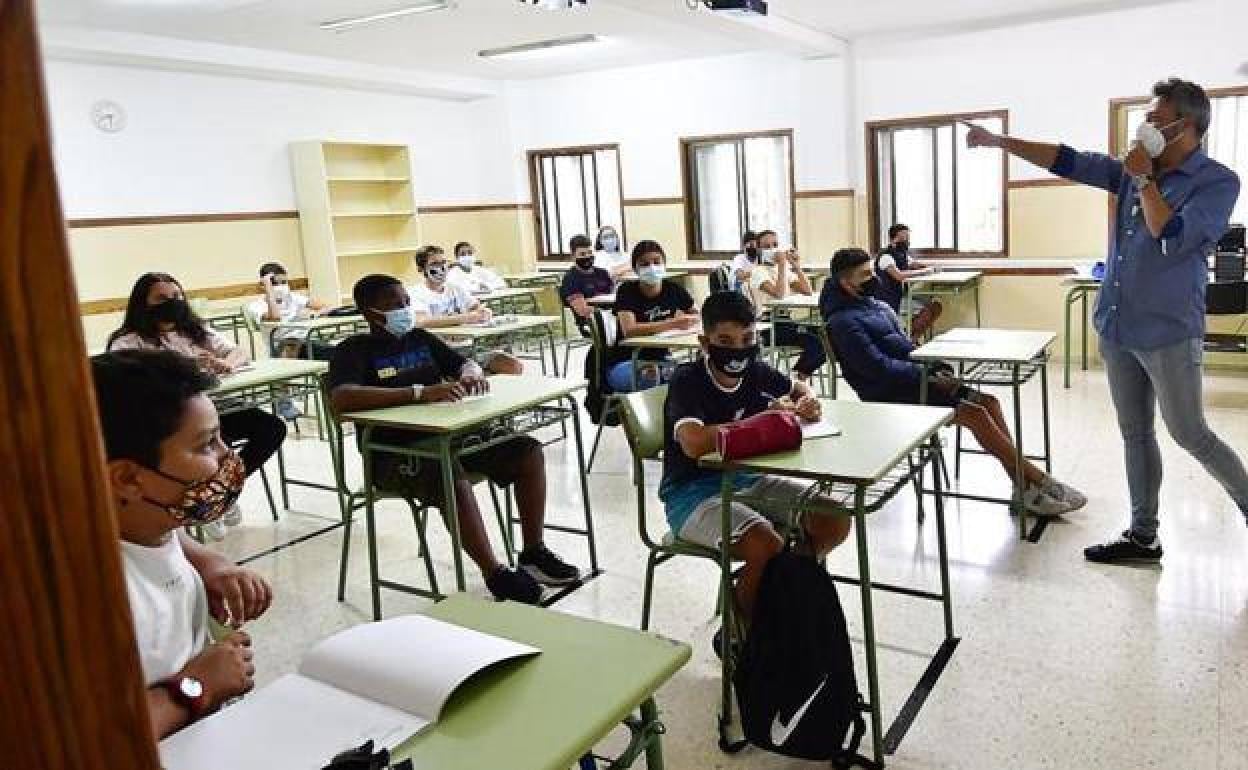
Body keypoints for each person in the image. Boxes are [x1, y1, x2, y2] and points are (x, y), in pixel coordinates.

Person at [966, 77, 1248, 564]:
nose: (1146, 128)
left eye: (1157, 120)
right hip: (1118, 327)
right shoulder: (1128, 170)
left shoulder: (1217, 181)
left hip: (1168, 332)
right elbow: (1068, 159)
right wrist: (1000, 142)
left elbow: (1171, 234)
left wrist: (1143, 180)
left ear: (1188, 127)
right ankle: (1143, 536)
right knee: (1135, 433)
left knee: (1190, 433)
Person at [328, 274, 580, 604]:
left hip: (450, 437)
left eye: (406, 302)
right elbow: (342, 398)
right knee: (450, 475)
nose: (405, 309)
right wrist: (419, 393)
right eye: (395, 305)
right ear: (370, 313)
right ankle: (496, 574)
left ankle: (533, 550)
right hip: (393, 453)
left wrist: (471, 373)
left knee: (526, 451)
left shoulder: (419, 338)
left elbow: (463, 362)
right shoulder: (353, 351)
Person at [821, 248, 1086, 518]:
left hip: (915, 380)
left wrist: (936, 366)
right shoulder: (842, 322)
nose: (873, 278)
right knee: (977, 415)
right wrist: (928, 376)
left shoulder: (873, 307)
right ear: (846, 283)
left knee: (989, 402)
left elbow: (905, 348)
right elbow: (877, 369)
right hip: (889, 392)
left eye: (872, 271)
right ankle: (1040, 480)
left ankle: (1024, 488)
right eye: (865, 275)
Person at [92, 349, 273, 740]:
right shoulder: (87, 594)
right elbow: (89, 741)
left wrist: (208, 561)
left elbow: (164, 539)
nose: (227, 456)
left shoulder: (147, 520)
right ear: (127, 478)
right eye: (207, 445)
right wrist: (194, 688)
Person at [661, 291, 852, 635]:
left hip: (748, 480)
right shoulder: (687, 380)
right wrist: (760, 423)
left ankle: (783, 593)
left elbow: (797, 388)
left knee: (834, 519)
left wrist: (807, 402)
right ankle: (741, 634)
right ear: (705, 343)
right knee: (765, 545)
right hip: (691, 495)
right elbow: (692, 443)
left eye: (747, 339)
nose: (738, 349)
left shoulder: (756, 371)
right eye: (725, 340)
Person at [108, 272, 288, 540]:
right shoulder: (128, 341)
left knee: (271, 427)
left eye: (177, 297)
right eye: (161, 298)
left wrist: (227, 364)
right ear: (143, 304)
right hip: (172, 420)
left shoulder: (196, 330)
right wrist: (187, 369)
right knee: (213, 444)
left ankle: (223, 492)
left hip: (217, 407)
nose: (172, 302)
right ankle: (205, 501)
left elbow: (237, 351)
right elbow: (132, 385)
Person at [410, 245, 522, 375]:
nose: (441, 268)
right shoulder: (416, 293)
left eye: (443, 263)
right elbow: (422, 321)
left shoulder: (455, 288)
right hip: (442, 353)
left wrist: (484, 313)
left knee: (513, 365)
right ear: (421, 269)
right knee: (474, 373)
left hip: (469, 348)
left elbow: (477, 307)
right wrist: (467, 317)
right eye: (434, 264)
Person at [606, 240, 699, 392]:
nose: (652, 268)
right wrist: (673, 323)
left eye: (657, 262)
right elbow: (629, 330)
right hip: (625, 362)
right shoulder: (627, 291)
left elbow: (696, 314)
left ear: (664, 264)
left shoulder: (673, 289)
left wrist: (690, 320)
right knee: (651, 376)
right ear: (635, 269)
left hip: (662, 360)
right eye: (644, 264)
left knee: (691, 378)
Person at [738, 229, 827, 383]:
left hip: (785, 321)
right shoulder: (758, 272)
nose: (773, 249)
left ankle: (798, 376)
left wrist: (795, 265)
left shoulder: (782, 269)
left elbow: (807, 291)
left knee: (826, 335)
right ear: (759, 250)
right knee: (815, 343)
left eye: (775, 245)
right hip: (767, 325)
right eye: (767, 247)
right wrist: (781, 265)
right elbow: (779, 295)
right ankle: (796, 379)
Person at [876, 224, 943, 341]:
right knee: (927, 310)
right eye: (904, 237)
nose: (907, 241)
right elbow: (899, 276)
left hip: (903, 296)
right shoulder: (886, 256)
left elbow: (914, 264)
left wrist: (931, 267)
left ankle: (912, 339)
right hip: (890, 300)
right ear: (893, 239)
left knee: (935, 306)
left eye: (908, 237)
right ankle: (908, 340)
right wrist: (926, 271)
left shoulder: (901, 254)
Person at [247, 261, 328, 358]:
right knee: (334, 355)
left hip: (306, 340)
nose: (281, 286)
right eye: (275, 283)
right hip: (283, 348)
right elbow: (275, 317)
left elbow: (324, 306)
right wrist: (269, 289)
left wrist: (315, 315)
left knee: (340, 351)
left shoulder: (293, 298)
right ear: (263, 285)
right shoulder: (256, 306)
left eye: (284, 282)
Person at [559, 234, 615, 336]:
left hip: (612, 318)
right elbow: (582, 311)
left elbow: (615, 297)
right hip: (590, 323)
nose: (587, 257)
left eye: (590, 253)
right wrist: (607, 314)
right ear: (573, 256)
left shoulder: (603, 273)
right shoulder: (570, 279)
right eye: (582, 254)